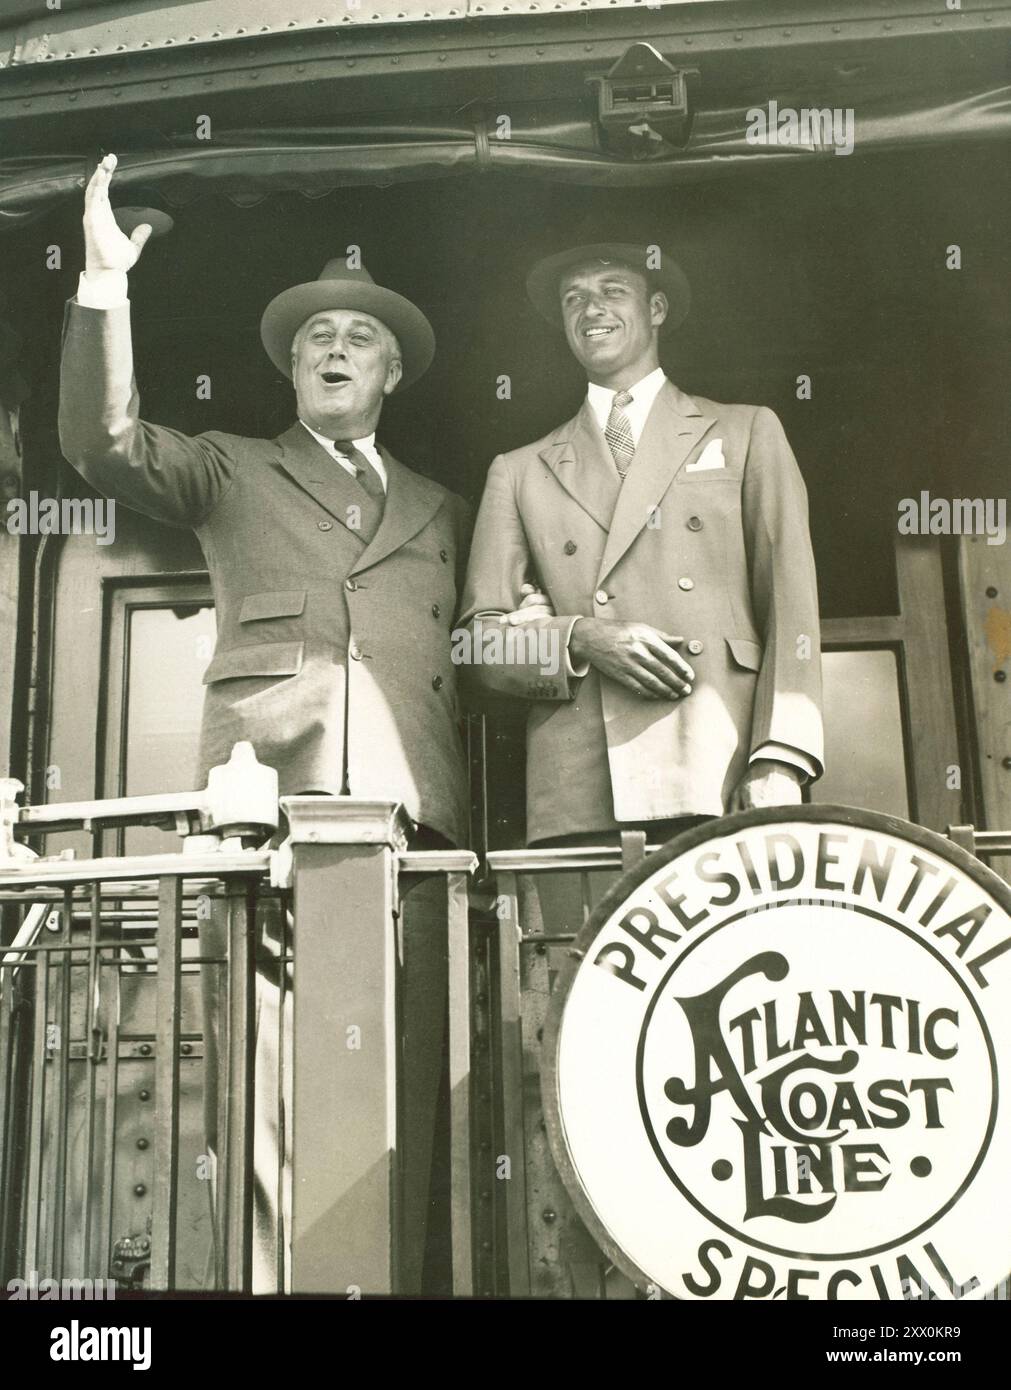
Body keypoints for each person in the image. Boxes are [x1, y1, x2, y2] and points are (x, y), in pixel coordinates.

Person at [58, 153, 534, 1292]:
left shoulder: (447, 507)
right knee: (271, 1105)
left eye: (359, 337)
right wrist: (104, 284)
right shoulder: (231, 467)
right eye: (315, 333)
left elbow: (484, 653)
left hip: (417, 843)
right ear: (290, 364)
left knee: (406, 1109)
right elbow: (102, 444)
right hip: (268, 833)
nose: (333, 347)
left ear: (394, 372)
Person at [459, 243, 823, 854]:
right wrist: (580, 637)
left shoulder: (745, 429)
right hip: (581, 788)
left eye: (611, 290)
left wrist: (781, 756)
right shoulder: (520, 470)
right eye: (572, 298)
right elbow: (477, 645)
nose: (589, 308)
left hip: (722, 770)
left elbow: (791, 605)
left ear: (656, 308)